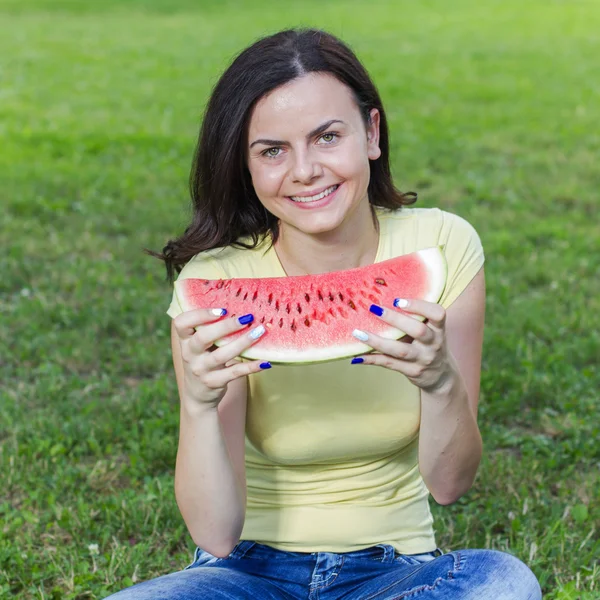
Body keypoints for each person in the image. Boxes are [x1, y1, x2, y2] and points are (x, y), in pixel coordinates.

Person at [108, 28, 542, 600]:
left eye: (327, 136)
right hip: (245, 573)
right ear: (246, 165)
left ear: (371, 133)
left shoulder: (443, 246)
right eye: (272, 151)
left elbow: (449, 484)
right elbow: (215, 534)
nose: (305, 171)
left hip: (396, 573)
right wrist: (198, 403)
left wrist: (439, 383)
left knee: (505, 584)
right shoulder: (217, 283)